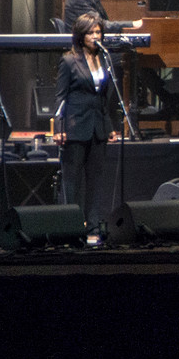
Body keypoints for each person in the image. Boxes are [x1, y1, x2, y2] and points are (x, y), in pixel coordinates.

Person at [55, 13, 115, 236]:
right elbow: (60, 97)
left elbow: (105, 97)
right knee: (72, 180)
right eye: (91, 32)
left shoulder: (104, 59)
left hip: (97, 126)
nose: (95, 36)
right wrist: (59, 128)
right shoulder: (69, 60)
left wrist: (109, 126)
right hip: (75, 126)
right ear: (80, 36)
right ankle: (70, 224)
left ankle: (93, 223)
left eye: (98, 32)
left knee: (96, 179)